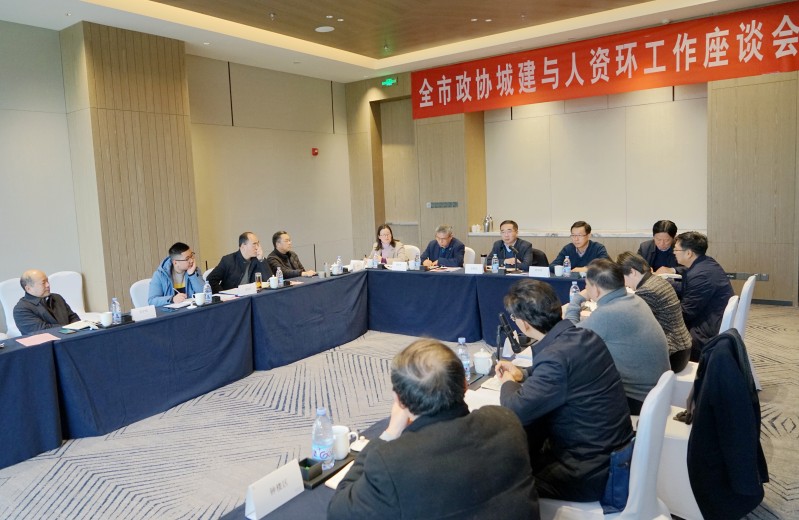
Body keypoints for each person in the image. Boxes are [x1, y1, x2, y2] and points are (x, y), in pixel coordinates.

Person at [329, 339, 539, 519]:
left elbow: (338, 511)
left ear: (399, 401)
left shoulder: (390, 460)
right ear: (465, 385)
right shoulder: (506, 420)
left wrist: (389, 435)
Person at [497, 279, 633, 502]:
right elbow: (565, 374)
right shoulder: (586, 337)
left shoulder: (555, 357)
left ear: (524, 324)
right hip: (613, 453)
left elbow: (515, 409)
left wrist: (507, 382)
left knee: (500, 478)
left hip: (588, 473)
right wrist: (523, 373)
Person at [564, 259, 670, 414]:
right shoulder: (636, 300)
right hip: (655, 393)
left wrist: (577, 299)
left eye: (586, 285)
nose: (585, 289)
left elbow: (568, 336)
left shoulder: (608, 313)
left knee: (570, 386)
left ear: (596, 289)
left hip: (635, 400)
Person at [617, 252, 692, 372]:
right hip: (682, 348)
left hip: (672, 355)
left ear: (632, 272)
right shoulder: (657, 280)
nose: (624, 283)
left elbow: (634, 325)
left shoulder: (646, 290)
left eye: (622, 278)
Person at [673, 231, 735, 360]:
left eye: (676, 249)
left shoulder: (700, 275)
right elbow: (688, 289)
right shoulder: (706, 263)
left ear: (689, 253)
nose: (674, 252)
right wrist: (665, 283)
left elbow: (685, 313)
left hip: (705, 332)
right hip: (712, 318)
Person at [13, 269, 80, 334]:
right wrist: (70, 328)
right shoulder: (21, 309)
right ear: (28, 288)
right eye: (43, 283)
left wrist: (78, 327)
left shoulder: (57, 297)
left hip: (71, 336)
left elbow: (73, 317)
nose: (48, 285)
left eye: (47, 281)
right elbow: (42, 331)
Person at [206, 232, 272, 293]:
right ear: (243, 246)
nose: (257, 247)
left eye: (258, 244)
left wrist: (261, 260)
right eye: (254, 244)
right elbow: (210, 280)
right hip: (232, 298)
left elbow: (270, 280)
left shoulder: (257, 260)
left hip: (252, 296)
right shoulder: (228, 260)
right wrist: (223, 294)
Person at [147, 242, 205, 306]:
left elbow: (204, 293)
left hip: (191, 309)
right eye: (187, 258)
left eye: (192, 256)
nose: (191, 260)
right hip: (170, 311)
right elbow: (152, 301)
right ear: (175, 263)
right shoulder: (160, 275)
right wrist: (172, 299)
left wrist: (192, 275)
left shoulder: (194, 270)